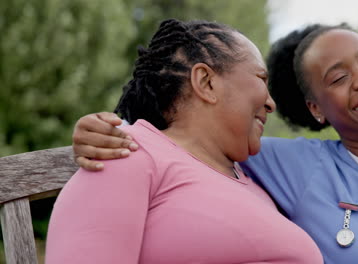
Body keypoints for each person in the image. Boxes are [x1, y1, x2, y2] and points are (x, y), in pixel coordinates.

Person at [72, 23, 358, 263]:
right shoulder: (294, 166)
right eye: (338, 77)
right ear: (316, 109)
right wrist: (107, 126)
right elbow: (184, 132)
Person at [45, 19, 323, 264]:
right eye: (261, 78)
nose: (270, 103)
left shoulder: (254, 174)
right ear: (206, 82)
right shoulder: (127, 152)